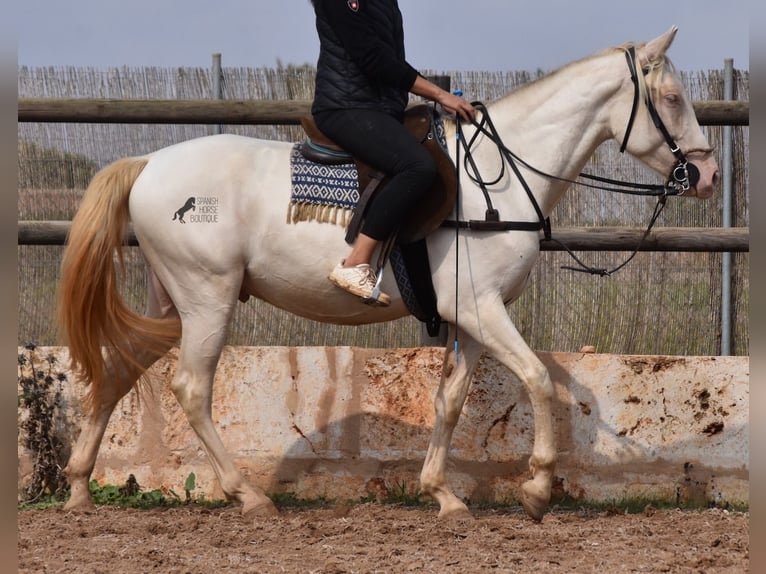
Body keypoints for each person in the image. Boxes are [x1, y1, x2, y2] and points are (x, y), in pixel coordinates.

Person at [310, 0, 476, 306]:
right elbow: (373, 58)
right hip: (345, 107)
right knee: (416, 166)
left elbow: (389, 58)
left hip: (381, 110)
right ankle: (356, 262)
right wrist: (439, 94)